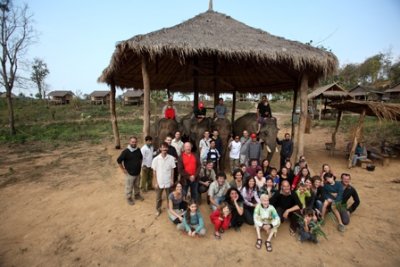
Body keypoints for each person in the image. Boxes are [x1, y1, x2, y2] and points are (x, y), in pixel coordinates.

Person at [117, 136, 143, 205]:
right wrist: (123, 169)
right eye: (132, 142)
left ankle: (137, 195)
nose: (134, 143)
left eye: (135, 142)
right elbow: (119, 160)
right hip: (130, 174)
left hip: (138, 172)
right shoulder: (126, 152)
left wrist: (139, 165)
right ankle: (129, 198)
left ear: (136, 142)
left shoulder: (138, 150)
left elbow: (141, 158)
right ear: (129, 142)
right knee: (129, 186)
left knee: (137, 185)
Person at [152, 142, 176, 216]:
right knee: (158, 197)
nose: (164, 149)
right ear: (160, 148)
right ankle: (158, 209)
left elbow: (172, 170)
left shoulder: (171, 158)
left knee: (170, 197)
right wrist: (155, 182)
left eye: (165, 147)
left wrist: (172, 180)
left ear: (167, 149)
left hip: (168, 181)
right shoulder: (156, 159)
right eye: (162, 147)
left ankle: (170, 208)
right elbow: (154, 172)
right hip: (160, 181)